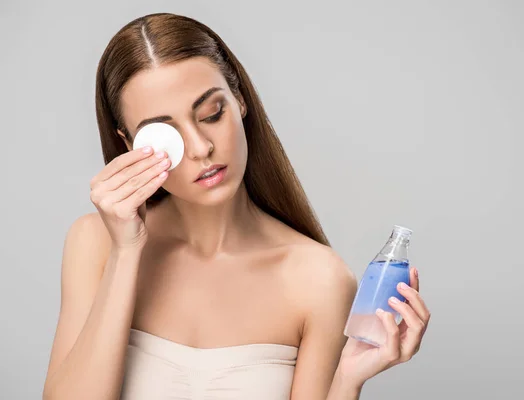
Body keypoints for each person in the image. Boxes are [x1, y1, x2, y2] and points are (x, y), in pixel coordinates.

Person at [42, 12, 431, 400]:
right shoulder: (94, 244)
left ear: (240, 99)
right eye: (166, 134)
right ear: (129, 145)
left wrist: (347, 380)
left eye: (212, 114)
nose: (200, 148)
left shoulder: (318, 279)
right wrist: (125, 253)